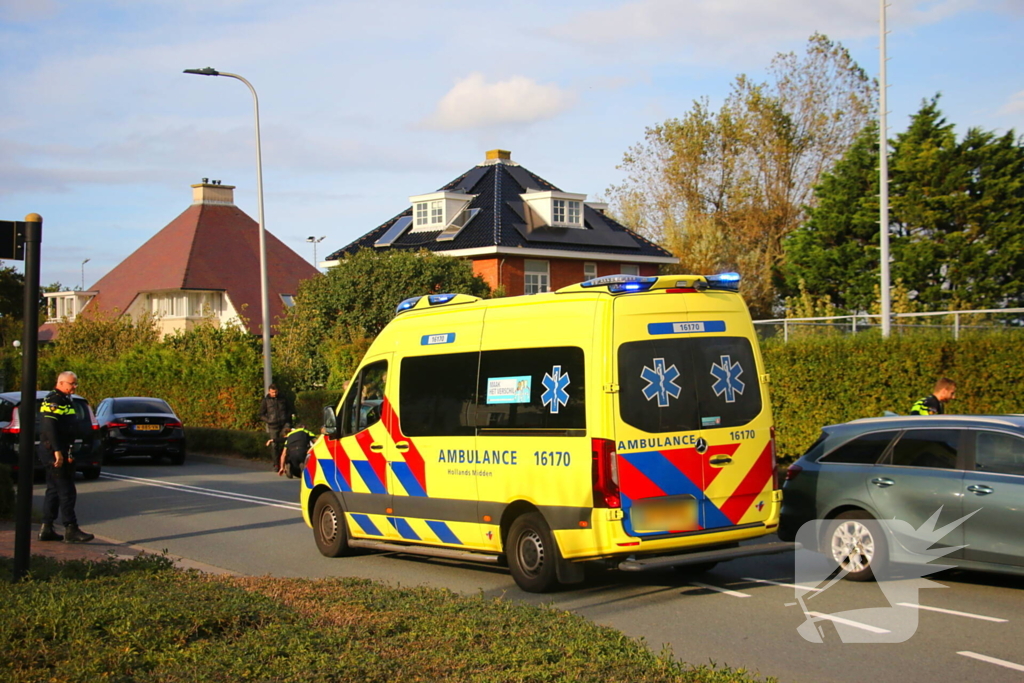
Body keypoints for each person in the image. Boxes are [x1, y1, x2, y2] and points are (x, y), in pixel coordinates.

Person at [37, 371, 94, 543]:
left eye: (76, 384)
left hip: (60, 449)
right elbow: (49, 426)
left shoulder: (64, 399)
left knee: (53, 490)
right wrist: (57, 451)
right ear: (61, 383)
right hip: (54, 450)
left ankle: (47, 528)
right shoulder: (55, 400)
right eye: (72, 384)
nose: (74, 387)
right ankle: (71, 529)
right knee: (66, 490)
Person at [259, 383, 293, 468]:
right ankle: (276, 464)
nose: (274, 394)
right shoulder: (266, 401)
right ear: (269, 391)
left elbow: (290, 409)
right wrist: (269, 421)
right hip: (273, 425)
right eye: (272, 392)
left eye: (276, 392)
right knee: (274, 445)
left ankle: (287, 462)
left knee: (288, 442)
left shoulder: (283, 398)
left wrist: (287, 419)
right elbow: (261, 414)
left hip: (284, 423)